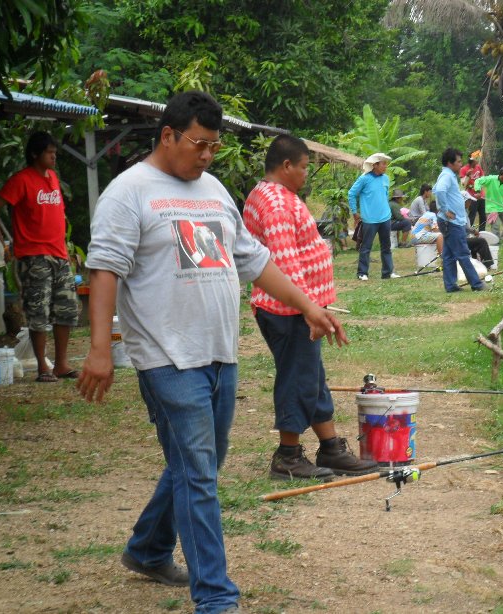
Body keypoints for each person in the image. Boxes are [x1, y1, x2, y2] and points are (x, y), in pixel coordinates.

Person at [76, 91, 346, 614]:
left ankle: (148, 549)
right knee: (199, 472)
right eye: (198, 144)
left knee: (200, 461)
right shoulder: (128, 192)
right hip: (165, 357)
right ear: (168, 136)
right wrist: (99, 349)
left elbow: (253, 260)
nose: (205, 156)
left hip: (220, 354)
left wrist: (307, 305)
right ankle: (217, 598)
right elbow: (104, 268)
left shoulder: (215, 190)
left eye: (214, 147)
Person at [244, 135, 378, 481]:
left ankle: (330, 448)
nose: (306, 173)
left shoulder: (280, 196)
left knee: (312, 377)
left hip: (300, 308)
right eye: (303, 167)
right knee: (297, 379)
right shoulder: (275, 203)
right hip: (287, 310)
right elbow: (285, 263)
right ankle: (287, 455)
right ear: (286, 165)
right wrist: (308, 309)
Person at [0, 131, 80, 382]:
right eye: (49, 152)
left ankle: (61, 364)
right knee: (38, 311)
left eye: (54, 152)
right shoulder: (21, 180)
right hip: (33, 256)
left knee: (67, 309)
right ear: (35, 154)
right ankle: (43, 367)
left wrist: (66, 251)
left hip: (59, 254)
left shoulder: (53, 178)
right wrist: (0, 244)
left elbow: (56, 216)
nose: (54, 156)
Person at [433, 148, 489, 293]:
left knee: (449, 255)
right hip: (450, 222)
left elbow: (437, 190)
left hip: (452, 222)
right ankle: (477, 284)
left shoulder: (449, 175)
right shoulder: (446, 175)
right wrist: (445, 210)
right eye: (458, 161)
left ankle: (451, 286)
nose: (461, 164)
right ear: (450, 163)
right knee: (463, 253)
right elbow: (439, 191)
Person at [348, 153, 399, 281]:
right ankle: (362, 273)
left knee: (386, 246)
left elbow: (384, 195)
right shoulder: (364, 179)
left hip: (385, 218)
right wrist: (355, 212)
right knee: (366, 247)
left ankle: (387, 272)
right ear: (375, 165)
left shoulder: (385, 178)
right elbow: (351, 194)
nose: (385, 166)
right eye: (383, 164)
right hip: (369, 219)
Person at [474, 166, 503, 244]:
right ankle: (495, 245)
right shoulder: (491, 179)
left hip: (502, 207)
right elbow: (478, 181)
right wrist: (478, 191)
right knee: (496, 226)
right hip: (491, 208)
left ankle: (502, 241)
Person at [460, 191, 495, 269]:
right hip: (460, 240)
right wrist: (474, 231)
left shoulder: (463, 211)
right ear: (464, 201)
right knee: (481, 241)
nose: (470, 203)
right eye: (469, 201)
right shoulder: (460, 211)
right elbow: (464, 226)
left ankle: (475, 263)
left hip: (462, 238)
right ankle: (487, 264)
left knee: (475, 242)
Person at [459, 150, 486, 230]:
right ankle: (469, 232)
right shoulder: (464, 169)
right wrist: (467, 176)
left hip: (480, 195)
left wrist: (479, 190)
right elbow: (463, 184)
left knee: (483, 216)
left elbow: (483, 179)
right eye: (476, 159)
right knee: (472, 215)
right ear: (471, 160)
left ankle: (482, 233)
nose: (477, 161)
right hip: (471, 196)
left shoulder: (478, 167)